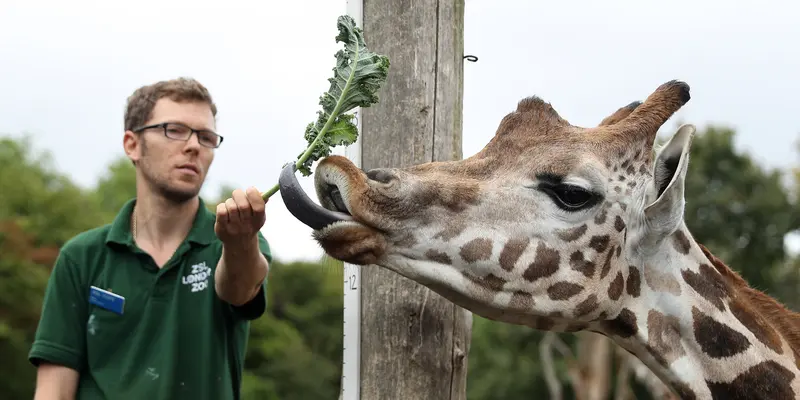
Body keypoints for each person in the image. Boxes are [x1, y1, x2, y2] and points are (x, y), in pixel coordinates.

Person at [28, 77, 272, 400]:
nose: (194, 146)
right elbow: (53, 392)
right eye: (174, 129)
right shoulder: (81, 257)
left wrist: (240, 242)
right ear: (132, 144)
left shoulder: (232, 243)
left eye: (206, 137)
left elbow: (238, 289)